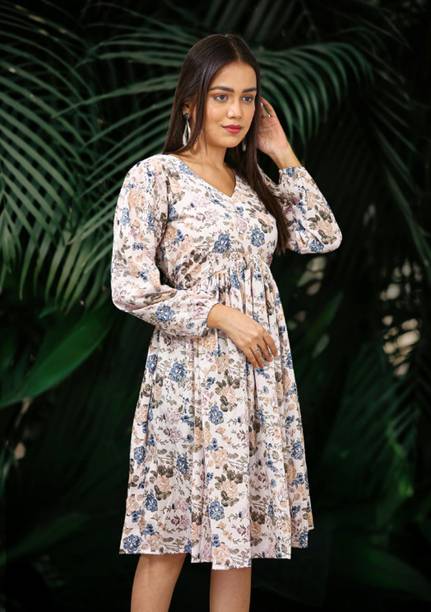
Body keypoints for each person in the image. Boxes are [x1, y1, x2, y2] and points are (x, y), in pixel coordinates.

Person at [110, 32, 342, 612]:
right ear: (191, 101)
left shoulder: (252, 189)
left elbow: (322, 235)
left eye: (247, 97)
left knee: (238, 547)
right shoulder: (155, 176)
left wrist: (281, 152)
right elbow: (129, 287)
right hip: (188, 379)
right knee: (165, 543)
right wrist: (221, 315)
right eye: (221, 96)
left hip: (255, 385)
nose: (236, 111)